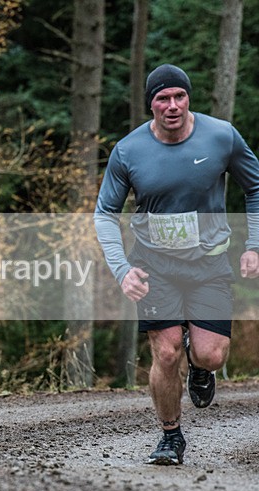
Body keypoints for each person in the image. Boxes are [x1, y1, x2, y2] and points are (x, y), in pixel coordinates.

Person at [94, 64, 259, 465]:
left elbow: (255, 187)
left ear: (189, 99)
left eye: (179, 97)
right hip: (155, 266)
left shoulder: (221, 136)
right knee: (166, 354)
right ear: (150, 104)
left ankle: (201, 367)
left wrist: (254, 244)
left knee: (211, 354)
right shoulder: (129, 151)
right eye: (162, 99)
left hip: (208, 265)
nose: (172, 106)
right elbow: (104, 213)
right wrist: (122, 270)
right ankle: (171, 436)